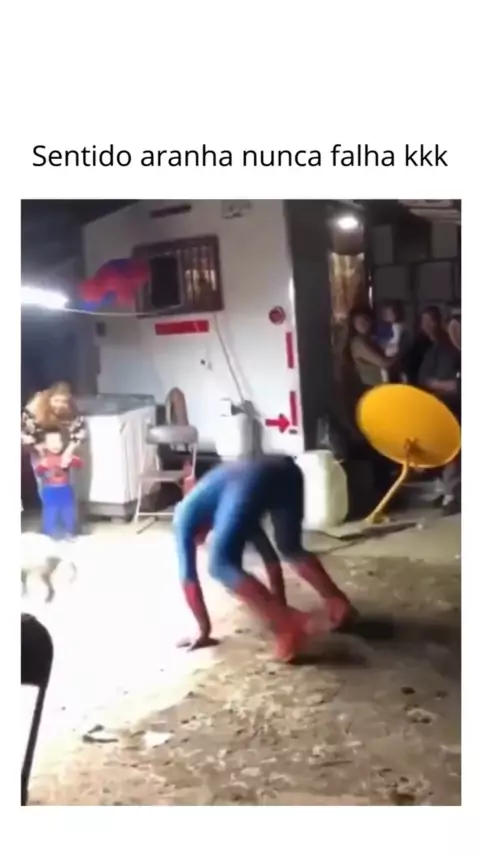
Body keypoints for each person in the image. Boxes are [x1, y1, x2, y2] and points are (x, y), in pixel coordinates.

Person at [173, 456, 354, 662]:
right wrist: (279, 604)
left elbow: (188, 581)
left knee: (219, 565)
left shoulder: (183, 518)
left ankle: (290, 626)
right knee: (290, 547)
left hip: (248, 479)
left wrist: (203, 630)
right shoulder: (224, 508)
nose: (202, 541)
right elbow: (271, 561)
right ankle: (338, 603)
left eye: (200, 539)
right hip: (285, 470)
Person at [417, 306, 461, 515]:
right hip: (448, 408)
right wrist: (446, 386)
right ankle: (451, 493)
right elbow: (425, 379)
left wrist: (455, 385)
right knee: (451, 450)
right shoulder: (438, 350)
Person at [34, 428, 83, 539]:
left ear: (63, 443)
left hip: (65, 488)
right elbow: (39, 472)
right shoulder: (45, 459)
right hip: (50, 490)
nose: (55, 445)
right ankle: (48, 532)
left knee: (68, 510)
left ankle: (70, 531)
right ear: (45, 445)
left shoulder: (66, 456)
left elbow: (79, 464)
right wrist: (43, 466)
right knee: (50, 511)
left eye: (58, 441)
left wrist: (71, 460)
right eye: (51, 442)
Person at [348, 308, 395, 391]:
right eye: (358, 322)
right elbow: (383, 362)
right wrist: (399, 355)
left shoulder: (372, 339)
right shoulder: (358, 343)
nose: (363, 324)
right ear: (353, 325)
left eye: (365, 320)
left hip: (381, 385)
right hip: (372, 387)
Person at [375, 301, 408, 382]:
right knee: (385, 367)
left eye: (392, 313)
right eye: (387, 314)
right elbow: (379, 339)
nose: (390, 315)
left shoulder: (400, 326)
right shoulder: (383, 328)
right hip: (389, 349)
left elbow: (400, 339)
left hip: (397, 349)